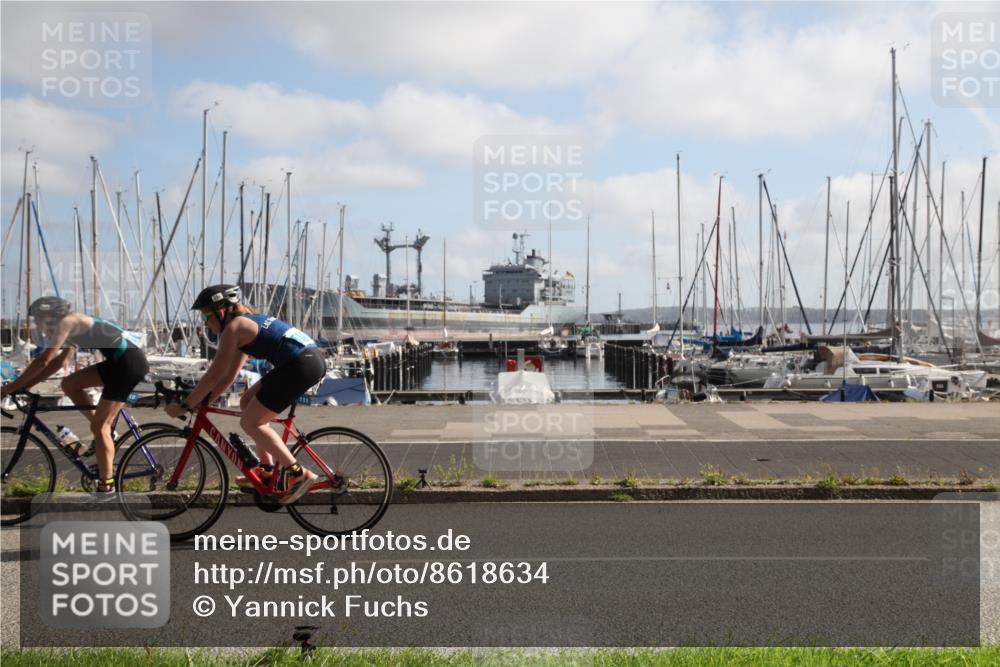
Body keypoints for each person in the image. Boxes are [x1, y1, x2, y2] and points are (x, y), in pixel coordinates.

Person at [164, 285, 324, 505]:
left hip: (300, 365)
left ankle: (298, 473)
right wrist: (205, 402)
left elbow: (213, 375)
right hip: (305, 361)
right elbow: (228, 377)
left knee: (250, 423)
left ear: (221, 311)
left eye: (206, 315)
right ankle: (267, 470)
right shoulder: (244, 325)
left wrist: (186, 404)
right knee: (246, 401)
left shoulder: (234, 328)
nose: (205, 322)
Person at [0, 297, 150, 492]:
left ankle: (106, 486)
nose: (36, 324)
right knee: (69, 384)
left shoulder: (68, 322)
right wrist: (27, 386)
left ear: (49, 316)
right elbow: (59, 363)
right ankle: (105, 432)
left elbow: (43, 361)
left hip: (128, 366)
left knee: (100, 428)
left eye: (37, 319)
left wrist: (9, 388)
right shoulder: (71, 325)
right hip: (118, 364)